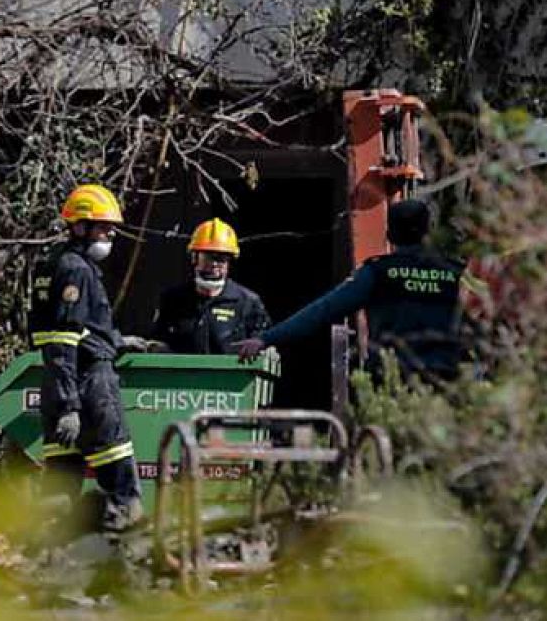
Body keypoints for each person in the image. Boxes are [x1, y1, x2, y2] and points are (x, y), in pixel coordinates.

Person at [233, 199, 470, 381]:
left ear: (389, 234)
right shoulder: (456, 272)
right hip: (446, 383)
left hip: (393, 382)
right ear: (429, 231)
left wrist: (267, 339)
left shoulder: (377, 272)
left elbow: (323, 310)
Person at [29, 183, 144, 531]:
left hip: (58, 382)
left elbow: (69, 330)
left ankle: (48, 561)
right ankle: (128, 562)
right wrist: (70, 406)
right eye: (103, 226)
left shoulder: (53, 263)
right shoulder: (76, 270)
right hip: (88, 383)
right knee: (121, 481)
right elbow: (64, 339)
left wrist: (117, 339)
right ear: (79, 226)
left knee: (60, 485)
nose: (111, 234)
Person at [145, 218, 271, 355]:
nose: (215, 264)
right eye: (209, 257)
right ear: (195, 258)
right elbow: (157, 341)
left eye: (222, 259)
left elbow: (263, 344)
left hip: (229, 375)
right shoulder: (173, 299)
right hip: (181, 375)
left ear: (229, 262)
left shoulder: (248, 302)